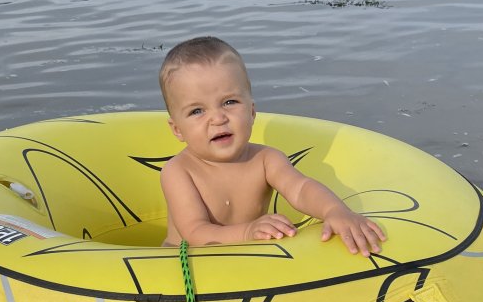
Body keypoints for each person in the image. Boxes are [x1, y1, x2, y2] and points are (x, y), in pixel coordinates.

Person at [159, 36, 386, 256]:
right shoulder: (179, 171)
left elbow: (300, 189)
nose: (218, 118)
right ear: (177, 129)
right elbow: (195, 232)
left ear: (252, 111)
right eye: (197, 111)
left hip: (248, 259)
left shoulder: (266, 160)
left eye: (229, 102)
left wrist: (334, 210)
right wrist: (248, 232)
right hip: (184, 265)